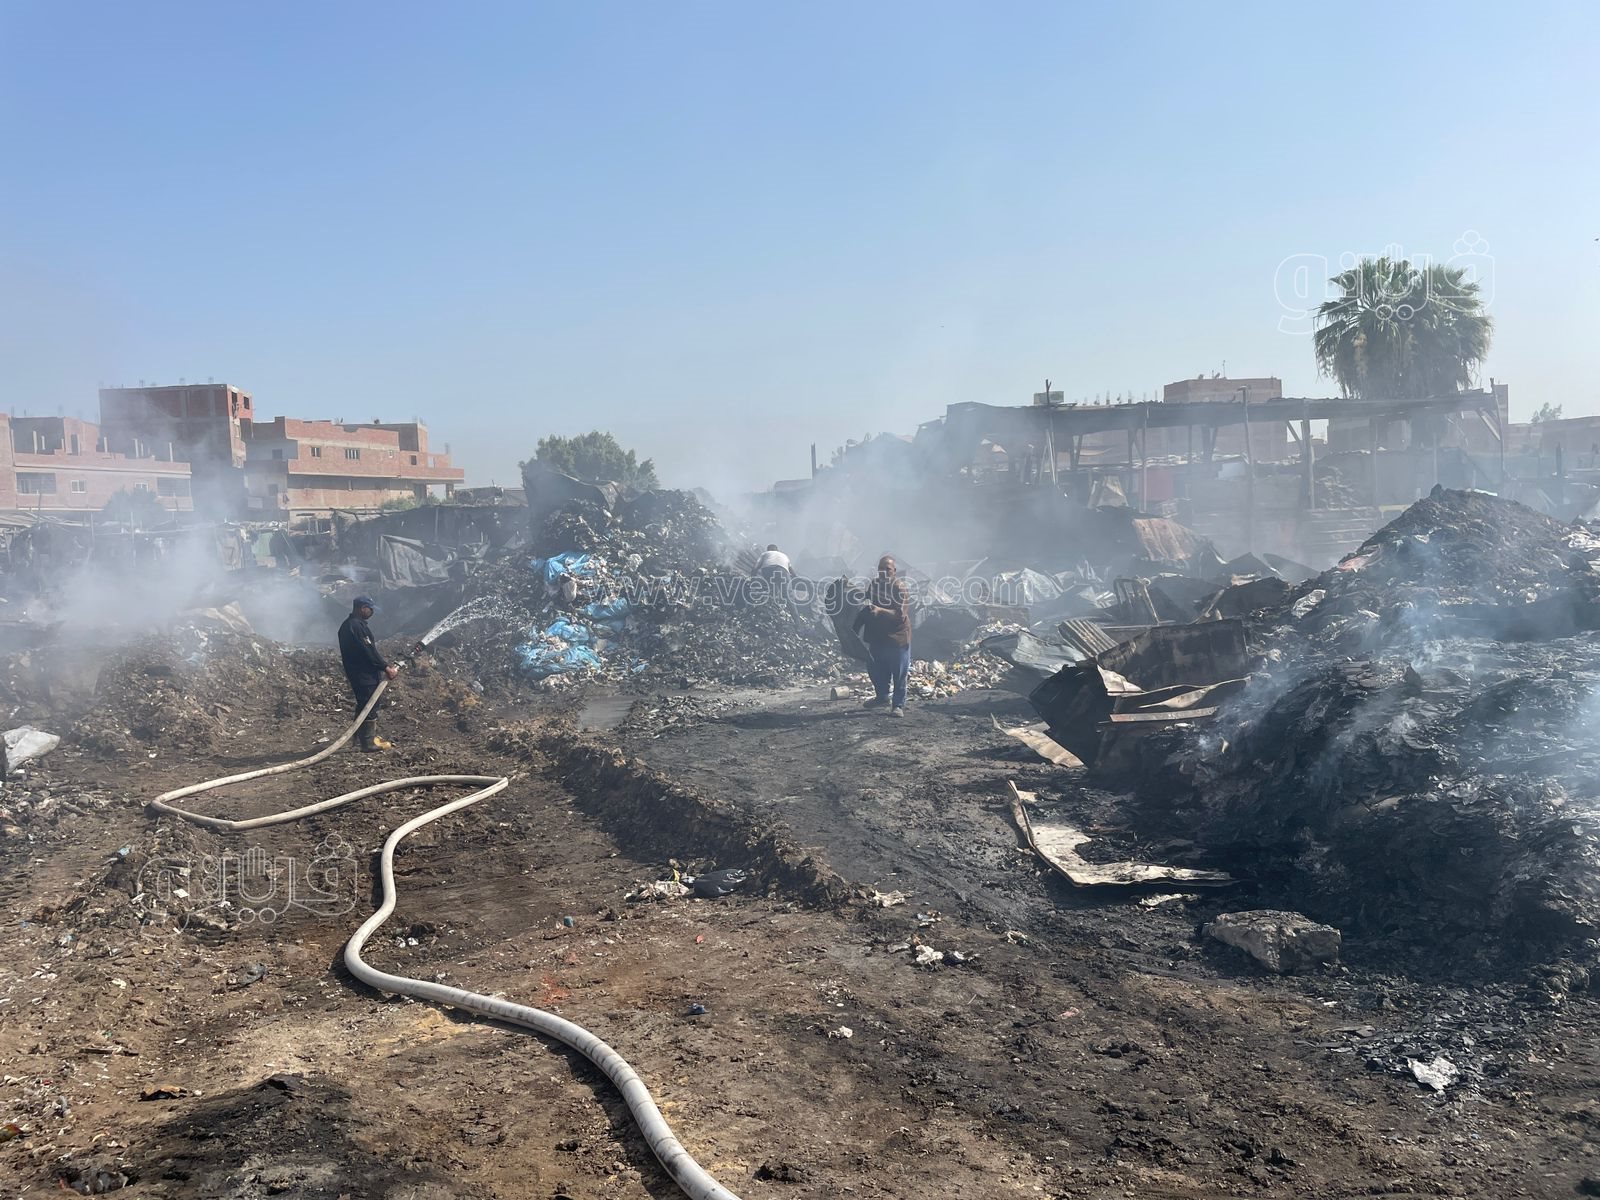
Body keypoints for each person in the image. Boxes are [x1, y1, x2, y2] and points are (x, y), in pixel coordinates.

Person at [852, 554, 912, 717]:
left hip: (897, 637)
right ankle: (882, 697)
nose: (884, 572)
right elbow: (866, 605)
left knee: (899, 673)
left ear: (894, 571)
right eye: (881, 568)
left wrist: (880, 610)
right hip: (877, 636)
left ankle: (897, 705)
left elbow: (900, 615)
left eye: (887, 569)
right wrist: (854, 629)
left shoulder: (899, 588)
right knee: (875, 669)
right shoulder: (874, 584)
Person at [338, 595, 398, 752]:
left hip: (362, 673)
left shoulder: (351, 625)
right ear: (362, 608)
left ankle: (362, 739)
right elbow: (368, 651)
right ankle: (368, 743)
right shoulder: (355, 626)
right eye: (370, 609)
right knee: (369, 705)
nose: (372, 612)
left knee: (365, 704)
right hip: (363, 674)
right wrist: (386, 667)